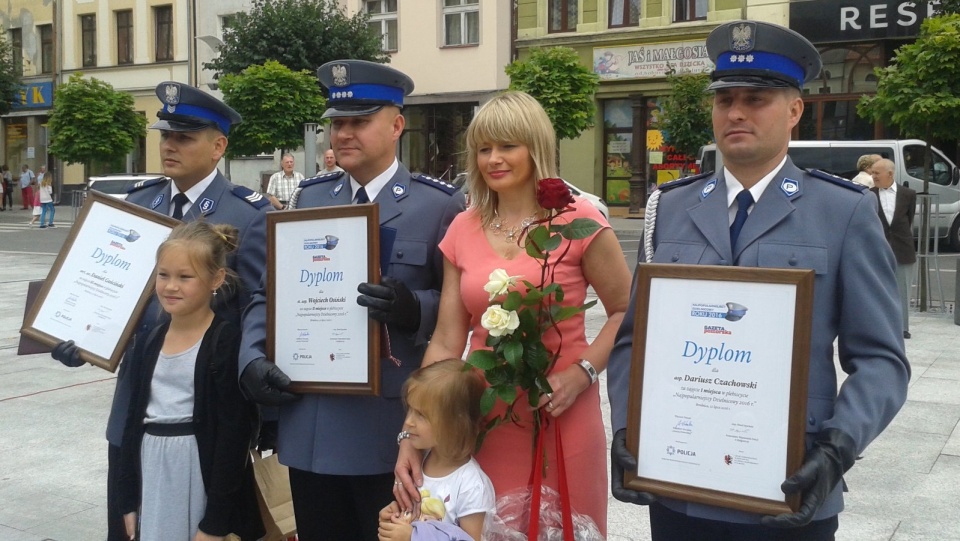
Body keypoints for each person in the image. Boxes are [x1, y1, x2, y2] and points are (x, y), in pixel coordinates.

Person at [608, 20, 910, 540]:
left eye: (757, 98)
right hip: (679, 486)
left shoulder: (843, 212)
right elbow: (634, 339)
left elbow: (881, 358)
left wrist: (839, 446)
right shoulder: (673, 207)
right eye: (725, 100)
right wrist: (625, 427)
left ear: (794, 110)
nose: (737, 112)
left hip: (792, 485)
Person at [238, 59, 465, 541]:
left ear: (397, 124)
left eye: (359, 121)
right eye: (337, 123)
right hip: (312, 423)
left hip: (388, 427)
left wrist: (414, 308)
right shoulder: (310, 198)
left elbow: (458, 305)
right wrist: (251, 358)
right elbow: (268, 294)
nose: (342, 133)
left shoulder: (438, 205)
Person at [395, 91, 632, 536]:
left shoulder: (577, 219)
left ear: (535, 148)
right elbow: (447, 340)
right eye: (484, 149)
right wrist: (412, 432)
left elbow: (626, 311)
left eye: (507, 146)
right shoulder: (463, 227)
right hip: (483, 417)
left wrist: (582, 373)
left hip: (561, 413)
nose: (493, 160)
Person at [50, 81, 269, 541]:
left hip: (204, 418)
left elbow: (256, 309)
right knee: (129, 528)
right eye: (166, 135)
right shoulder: (138, 203)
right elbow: (113, 292)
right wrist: (78, 335)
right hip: (135, 411)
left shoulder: (250, 216)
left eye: (184, 137)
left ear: (218, 146)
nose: (169, 145)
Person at [117, 221, 263, 541]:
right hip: (153, 470)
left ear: (216, 279)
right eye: (163, 275)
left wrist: (215, 522)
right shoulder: (149, 341)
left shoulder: (225, 342)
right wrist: (127, 498)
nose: (171, 286)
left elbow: (233, 435)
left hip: (197, 472)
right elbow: (132, 423)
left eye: (185, 277)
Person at [378, 360, 495, 541]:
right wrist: (397, 516)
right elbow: (417, 516)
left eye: (421, 414)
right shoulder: (421, 461)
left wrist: (413, 537)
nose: (408, 421)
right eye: (409, 410)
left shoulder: (471, 485)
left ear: (455, 424)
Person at [870, 158, 917, 339]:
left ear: (890, 174)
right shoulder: (869, 195)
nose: (873, 176)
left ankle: (902, 327)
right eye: (872, 173)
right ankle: (879, 326)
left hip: (902, 248)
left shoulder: (908, 194)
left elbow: (909, 218)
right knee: (877, 289)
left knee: (903, 289)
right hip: (878, 250)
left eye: (876, 173)